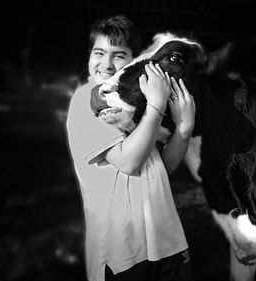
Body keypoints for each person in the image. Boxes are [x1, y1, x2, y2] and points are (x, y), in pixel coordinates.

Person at [66, 15, 196, 281]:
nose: (106, 63)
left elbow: (164, 166)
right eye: (99, 53)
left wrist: (183, 129)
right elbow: (129, 162)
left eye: (119, 55)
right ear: (89, 57)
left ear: (133, 61)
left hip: (168, 240)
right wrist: (157, 107)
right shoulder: (89, 100)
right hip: (122, 251)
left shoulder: (136, 106)